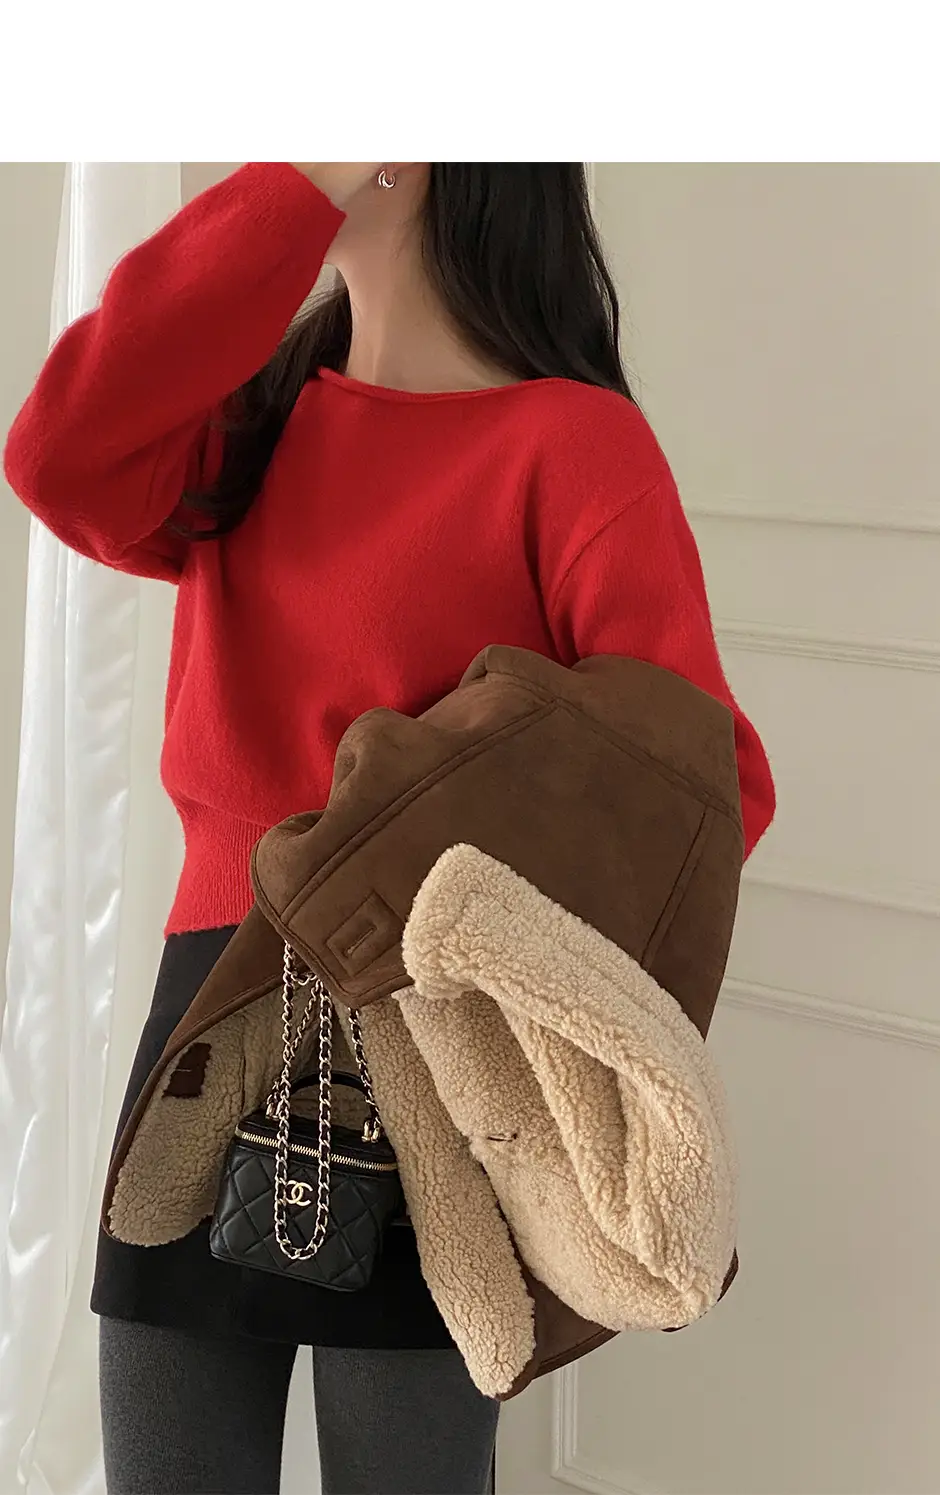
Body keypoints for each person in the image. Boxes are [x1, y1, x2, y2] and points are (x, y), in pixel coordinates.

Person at [3, 161, 776, 1495]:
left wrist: (441, 854)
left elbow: (708, 790)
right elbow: (58, 452)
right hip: (211, 1004)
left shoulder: (571, 446)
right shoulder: (253, 421)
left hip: (442, 1048)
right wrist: (292, 193)